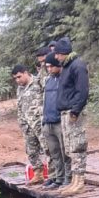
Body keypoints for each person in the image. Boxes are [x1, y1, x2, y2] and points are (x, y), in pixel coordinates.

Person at [52, 38, 90, 196]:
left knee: (77, 146)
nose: (56, 58)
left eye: (57, 54)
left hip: (73, 113)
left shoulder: (77, 65)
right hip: (65, 112)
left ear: (63, 53)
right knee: (69, 148)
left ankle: (80, 182)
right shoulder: (67, 66)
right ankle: (74, 180)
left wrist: (75, 111)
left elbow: (82, 91)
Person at [12, 64, 47, 185]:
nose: (17, 80)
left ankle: (55, 175)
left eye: (19, 77)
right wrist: (21, 122)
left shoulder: (38, 82)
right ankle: (38, 174)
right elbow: (20, 106)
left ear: (26, 72)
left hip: (40, 123)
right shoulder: (20, 88)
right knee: (31, 151)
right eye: (15, 78)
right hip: (27, 125)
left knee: (48, 149)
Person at [41, 54, 67, 190]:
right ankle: (58, 178)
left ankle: (68, 179)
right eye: (47, 67)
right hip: (48, 121)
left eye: (51, 66)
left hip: (60, 121)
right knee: (54, 153)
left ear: (58, 65)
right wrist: (44, 121)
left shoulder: (64, 79)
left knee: (65, 152)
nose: (49, 69)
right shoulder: (48, 80)